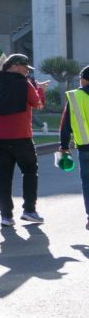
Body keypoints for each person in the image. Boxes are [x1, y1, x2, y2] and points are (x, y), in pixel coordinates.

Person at [0, 54, 48, 225]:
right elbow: (38, 104)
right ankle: (29, 210)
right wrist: (40, 90)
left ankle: (6, 216)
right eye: (25, 67)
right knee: (29, 172)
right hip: (21, 137)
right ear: (13, 66)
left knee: (4, 176)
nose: (27, 70)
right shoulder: (24, 84)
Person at [58, 65, 89, 231]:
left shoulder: (75, 97)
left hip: (85, 148)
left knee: (87, 183)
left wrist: (64, 146)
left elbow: (65, 126)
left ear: (84, 79)